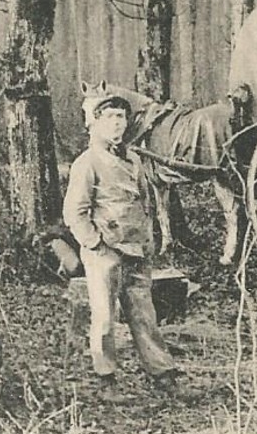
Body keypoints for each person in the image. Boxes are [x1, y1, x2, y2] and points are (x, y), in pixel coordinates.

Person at [63, 91, 183, 398]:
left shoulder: (133, 159)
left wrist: (149, 239)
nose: (118, 124)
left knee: (145, 314)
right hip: (106, 252)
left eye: (122, 117)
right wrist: (96, 243)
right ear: (96, 124)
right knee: (104, 317)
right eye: (111, 118)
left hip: (136, 250)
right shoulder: (87, 163)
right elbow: (74, 212)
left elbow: (145, 203)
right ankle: (107, 380)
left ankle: (163, 375)